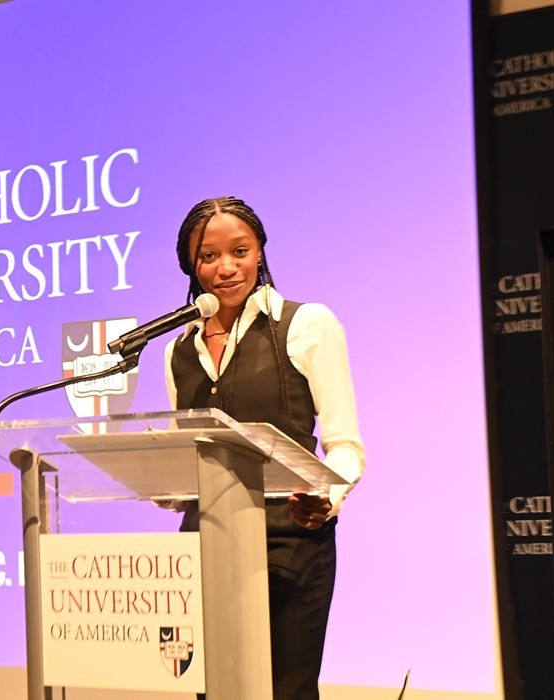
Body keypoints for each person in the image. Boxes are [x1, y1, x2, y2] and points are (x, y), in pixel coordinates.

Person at [162, 196, 365, 699]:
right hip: (206, 544)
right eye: (208, 256)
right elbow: (191, 452)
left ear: (260, 253)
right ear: (191, 264)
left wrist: (327, 496)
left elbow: (345, 446)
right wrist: (164, 482)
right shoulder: (177, 349)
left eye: (240, 251)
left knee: (286, 690)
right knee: (214, 690)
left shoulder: (305, 324)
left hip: (292, 539)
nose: (225, 268)